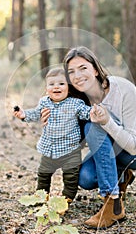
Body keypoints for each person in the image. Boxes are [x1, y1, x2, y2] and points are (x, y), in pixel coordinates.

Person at [41, 46, 136, 228]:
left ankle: (112, 204)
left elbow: (135, 146)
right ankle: (121, 175)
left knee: (94, 124)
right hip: (113, 149)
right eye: (71, 72)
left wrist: (107, 122)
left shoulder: (123, 89)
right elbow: (78, 141)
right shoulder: (77, 102)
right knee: (85, 177)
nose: (77, 75)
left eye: (83, 68)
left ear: (95, 69)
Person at [13, 67, 92, 203]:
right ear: (46, 87)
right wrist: (24, 114)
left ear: (69, 87)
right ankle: (41, 196)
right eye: (51, 84)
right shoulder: (44, 102)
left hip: (71, 150)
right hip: (49, 149)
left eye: (61, 84)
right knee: (43, 174)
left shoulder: (75, 103)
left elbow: (86, 112)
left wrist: (94, 112)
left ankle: (66, 199)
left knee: (71, 177)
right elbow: (36, 113)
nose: (56, 87)